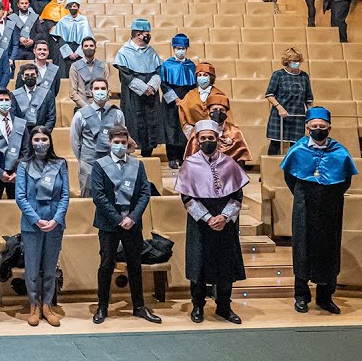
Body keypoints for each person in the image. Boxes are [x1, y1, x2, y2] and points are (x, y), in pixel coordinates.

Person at [281, 106, 358, 315]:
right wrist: (303, 195)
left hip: (330, 207)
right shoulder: (298, 150)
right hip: (304, 205)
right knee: (302, 248)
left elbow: (345, 180)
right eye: (314, 126)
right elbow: (290, 178)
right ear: (307, 127)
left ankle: (325, 297)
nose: (318, 129)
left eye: (322, 127)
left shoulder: (339, 152)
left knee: (329, 249)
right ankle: (301, 296)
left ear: (329, 127)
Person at [176, 120, 249, 324]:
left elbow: (237, 196)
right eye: (203, 138)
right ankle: (198, 306)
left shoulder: (230, 163)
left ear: (218, 139)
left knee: (226, 265)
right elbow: (187, 198)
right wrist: (208, 218)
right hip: (201, 223)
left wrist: (224, 217)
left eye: (211, 138)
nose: (207, 141)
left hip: (225, 223)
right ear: (198, 140)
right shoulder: (190, 165)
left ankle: (224, 307)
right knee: (199, 266)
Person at [88, 125, 160, 324]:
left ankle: (138, 306)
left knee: (135, 265)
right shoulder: (99, 165)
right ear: (109, 142)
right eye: (116, 142)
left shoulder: (138, 165)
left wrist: (133, 217)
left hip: (132, 223)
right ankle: (102, 307)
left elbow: (145, 193)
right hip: (109, 224)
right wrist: (118, 219)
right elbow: (99, 196)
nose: (120, 145)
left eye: (123, 142)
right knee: (106, 265)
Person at [15, 126, 69, 327]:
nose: (40, 143)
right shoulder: (23, 165)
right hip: (32, 224)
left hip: (55, 224)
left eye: (44, 139)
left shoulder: (60, 164)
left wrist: (56, 219)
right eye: (36, 139)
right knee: (32, 268)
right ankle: (34, 305)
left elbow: (64, 195)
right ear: (31, 142)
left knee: (49, 268)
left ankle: (47, 305)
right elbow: (20, 196)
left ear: (50, 141)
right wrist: (36, 219)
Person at [114, 18, 167, 158]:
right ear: (137, 34)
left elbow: (157, 70)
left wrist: (152, 86)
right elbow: (126, 76)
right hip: (134, 96)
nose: (148, 36)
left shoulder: (151, 51)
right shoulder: (124, 52)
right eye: (146, 33)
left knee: (151, 124)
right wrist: (144, 88)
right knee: (135, 124)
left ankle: (148, 154)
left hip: (151, 96)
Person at [70, 79, 123, 195]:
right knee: (88, 198)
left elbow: (122, 138)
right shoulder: (80, 114)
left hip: (110, 163)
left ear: (108, 92)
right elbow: (75, 141)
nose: (100, 91)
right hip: (88, 164)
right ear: (90, 92)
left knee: (111, 198)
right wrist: (83, 159)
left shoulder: (117, 113)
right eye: (97, 89)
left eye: (103, 89)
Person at [265, 47, 314, 155]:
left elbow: (308, 99)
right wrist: (279, 107)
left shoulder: (304, 76)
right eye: (293, 61)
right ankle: (271, 169)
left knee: (296, 147)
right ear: (287, 61)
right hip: (280, 115)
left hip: (297, 116)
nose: (296, 63)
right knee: (275, 144)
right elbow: (269, 94)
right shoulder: (278, 75)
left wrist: (311, 116)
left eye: (297, 61)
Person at [157, 34, 196, 169]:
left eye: (183, 48)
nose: (181, 51)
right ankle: (172, 157)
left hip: (187, 99)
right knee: (171, 128)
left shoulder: (191, 65)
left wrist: (187, 100)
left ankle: (184, 156)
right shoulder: (167, 65)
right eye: (178, 48)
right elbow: (163, 84)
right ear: (174, 49)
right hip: (171, 101)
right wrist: (175, 99)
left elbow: (193, 85)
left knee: (184, 127)